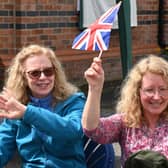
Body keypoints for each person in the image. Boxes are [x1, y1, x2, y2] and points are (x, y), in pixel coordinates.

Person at [0, 44, 86, 168]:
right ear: (23, 77)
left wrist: (27, 113)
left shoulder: (73, 101)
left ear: (55, 73)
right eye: (35, 73)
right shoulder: (17, 105)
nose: (43, 77)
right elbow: (3, 145)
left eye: (48, 71)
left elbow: (73, 131)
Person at [82, 55, 168, 167]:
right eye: (149, 90)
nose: (156, 97)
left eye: (163, 89)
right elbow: (92, 129)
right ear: (138, 92)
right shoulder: (126, 122)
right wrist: (94, 88)